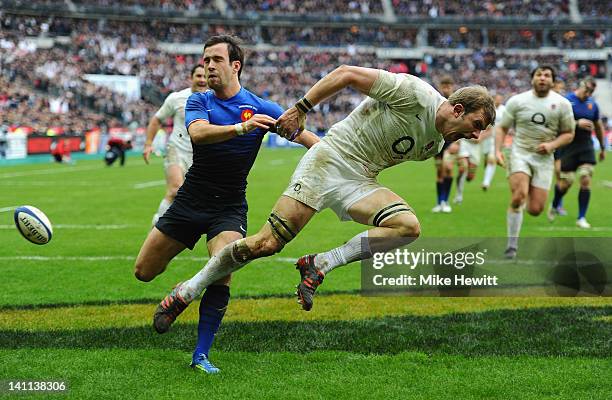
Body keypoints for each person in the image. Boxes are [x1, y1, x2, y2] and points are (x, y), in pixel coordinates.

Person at [153, 66, 495, 335]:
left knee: (407, 227)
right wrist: (302, 108)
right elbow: (346, 73)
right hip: (328, 161)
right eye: (476, 125)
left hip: (360, 179)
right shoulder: (415, 94)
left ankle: (320, 264)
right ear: (458, 108)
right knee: (265, 244)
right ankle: (186, 291)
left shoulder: (439, 142)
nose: (476, 135)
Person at [133, 35, 319, 374]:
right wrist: (241, 127)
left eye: (216, 60)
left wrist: (333, 158)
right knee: (144, 272)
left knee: (224, 269)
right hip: (190, 200)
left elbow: (310, 141)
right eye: (205, 60)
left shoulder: (262, 106)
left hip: (229, 206)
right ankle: (186, 287)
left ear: (236, 65)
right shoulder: (198, 101)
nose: (208, 66)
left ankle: (200, 354)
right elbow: (199, 134)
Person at [495, 66, 575, 259]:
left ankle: (533, 198)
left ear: (553, 81)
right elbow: (502, 128)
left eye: (547, 75)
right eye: (539, 74)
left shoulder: (562, 104)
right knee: (518, 196)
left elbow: (569, 134)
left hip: (544, 159)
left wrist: (551, 145)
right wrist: (497, 151)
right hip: (519, 153)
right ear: (532, 79)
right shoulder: (517, 101)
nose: (542, 78)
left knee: (535, 210)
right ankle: (511, 246)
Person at [143, 65, 208, 226]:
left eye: (204, 76)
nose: (201, 80)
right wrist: (148, 144)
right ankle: (159, 225)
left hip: (199, 155)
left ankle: (170, 223)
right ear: (190, 78)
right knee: (175, 189)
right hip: (176, 149)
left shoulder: (214, 100)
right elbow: (157, 119)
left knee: (197, 196)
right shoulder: (176, 98)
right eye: (198, 76)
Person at [548, 78, 605, 228]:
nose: (588, 94)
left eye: (591, 91)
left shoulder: (593, 105)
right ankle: (554, 204)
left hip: (586, 145)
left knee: (586, 178)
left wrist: (603, 147)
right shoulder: (566, 101)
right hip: (568, 145)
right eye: (587, 90)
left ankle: (581, 218)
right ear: (580, 86)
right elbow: (556, 123)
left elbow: (598, 126)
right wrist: (576, 123)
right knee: (566, 182)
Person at [431, 75, 456, 213]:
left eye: (448, 86)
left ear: (452, 87)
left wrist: (458, 142)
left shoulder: (457, 102)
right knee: (439, 172)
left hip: (451, 141)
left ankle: (445, 201)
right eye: (444, 86)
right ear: (440, 87)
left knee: (448, 168)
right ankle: (440, 202)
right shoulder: (436, 101)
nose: (446, 89)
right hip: (438, 141)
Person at [481, 94, 505, 190]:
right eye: (497, 99)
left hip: (497, 138)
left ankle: (486, 182)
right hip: (487, 137)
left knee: (492, 159)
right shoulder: (489, 109)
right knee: (487, 159)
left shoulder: (504, 110)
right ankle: (487, 168)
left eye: (500, 99)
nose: (499, 101)